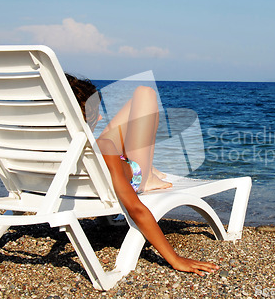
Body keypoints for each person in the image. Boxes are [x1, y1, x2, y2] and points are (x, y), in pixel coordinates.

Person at [66, 73, 219, 276]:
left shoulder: (43, 144)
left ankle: (149, 168)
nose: (101, 117)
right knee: (145, 94)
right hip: (130, 171)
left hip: (85, 169)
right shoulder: (104, 149)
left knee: (143, 93)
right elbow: (136, 209)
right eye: (95, 113)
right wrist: (175, 259)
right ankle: (148, 175)